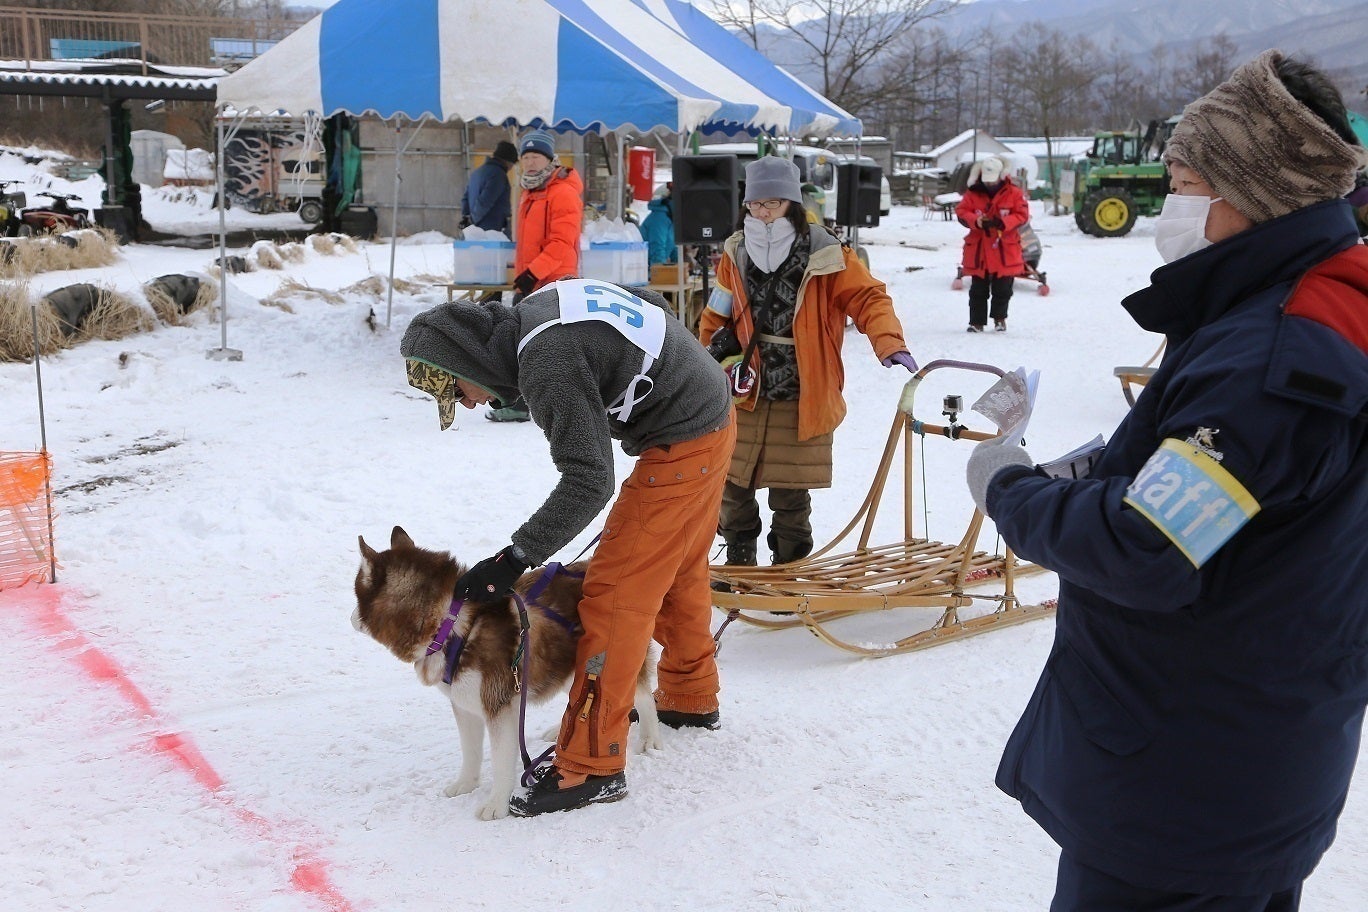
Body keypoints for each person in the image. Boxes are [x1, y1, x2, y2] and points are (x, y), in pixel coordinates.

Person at [965, 50, 1368, 911]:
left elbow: (1145, 547)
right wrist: (1113, 469)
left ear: (1248, 193)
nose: (1170, 204)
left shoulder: (1267, 356)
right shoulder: (1315, 304)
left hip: (1184, 786)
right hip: (1257, 753)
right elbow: (1241, 501)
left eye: (1185, 182)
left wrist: (1010, 488)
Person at [400, 280, 735, 816]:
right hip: (709, 411)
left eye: (457, 392)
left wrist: (515, 557)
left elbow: (590, 480)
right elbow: (646, 301)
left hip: (684, 436)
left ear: (466, 362)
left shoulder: (544, 362)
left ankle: (590, 764)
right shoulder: (540, 311)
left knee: (615, 596)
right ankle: (689, 694)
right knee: (675, 571)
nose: (466, 404)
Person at [698, 156, 917, 567]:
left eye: (772, 203)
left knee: (791, 491)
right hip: (744, 387)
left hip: (803, 388)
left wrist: (889, 341)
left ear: (791, 203)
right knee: (732, 481)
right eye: (755, 204)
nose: (763, 212)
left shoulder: (827, 252)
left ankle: (788, 565)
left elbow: (868, 297)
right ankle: (740, 558)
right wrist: (704, 360)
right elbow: (717, 312)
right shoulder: (736, 251)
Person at [486, 129, 585, 423]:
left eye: (536, 157)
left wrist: (532, 274)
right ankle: (521, 403)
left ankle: (545, 404)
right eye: (525, 157)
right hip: (530, 281)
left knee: (544, 346)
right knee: (524, 344)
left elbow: (561, 243)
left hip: (553, 283)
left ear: (549, 160)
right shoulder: (529, 192)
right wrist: (523, 274)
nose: (530, 163)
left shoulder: (562, 192)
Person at [955, 154, 1030, 332]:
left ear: (1001, 176)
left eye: (992, 180)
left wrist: (1003, 223)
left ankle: (999, 319)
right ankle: (976, 322)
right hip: (979, 250)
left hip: (1004, 249)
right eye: (986, 180)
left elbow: (1022, 214)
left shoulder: (1014, 193)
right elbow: (961, 211)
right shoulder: (972, 193)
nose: (989, 184)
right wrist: (976, 221)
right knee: (977, 290)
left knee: (1003, 289)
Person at [459, 140, 518, 233]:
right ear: (507, 161)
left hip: (475, 230)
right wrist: (472, 221)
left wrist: (466, 218)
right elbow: (485, 201)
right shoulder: (498, 175)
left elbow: (465, 198)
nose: (511, 168)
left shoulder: (477, 172)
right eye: (512, 164)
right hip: (491, 230)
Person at [640, 182, 677, 267]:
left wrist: (680, 265)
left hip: (655, 268)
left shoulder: (670, 218)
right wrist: (661, 272)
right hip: (647, 270)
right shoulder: (659, 218)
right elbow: (657, 248)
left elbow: (675, 247)